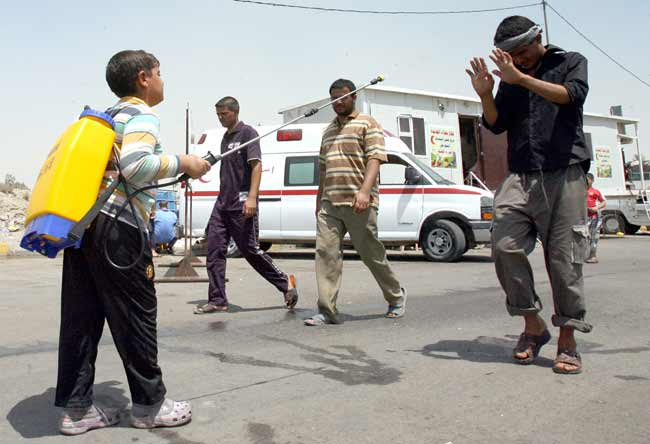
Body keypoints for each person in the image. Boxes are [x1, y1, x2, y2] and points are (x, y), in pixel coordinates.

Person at [55, 50, 211, 435]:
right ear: (143, 78)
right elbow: (136, 165)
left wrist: (170, 173)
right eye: (159, 73)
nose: (162, 79)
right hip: (119, 233)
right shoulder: (141, 114)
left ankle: (77, 411)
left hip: (85, 229)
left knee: (82, 321)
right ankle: (149, 406)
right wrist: (184, 162)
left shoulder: (108, 118)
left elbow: (122, 172)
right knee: (137, 317)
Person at [466, 16, 592, 374]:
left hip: (564, 171)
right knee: (503, 246)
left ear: (539, 38)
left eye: (523, 52)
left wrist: (520, 79)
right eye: (512, 56)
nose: (518, 60)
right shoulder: (509, 78)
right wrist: (486, 93)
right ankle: (532, 325)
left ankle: (567, 336)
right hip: (521, 175)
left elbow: (572, 96)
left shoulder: (569, 62)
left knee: (564, 260)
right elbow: (496, 123)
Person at [304, 78, 407, 326]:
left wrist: (364, 191)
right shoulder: (328, 130)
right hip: (330, 203)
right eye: (333, 99)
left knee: (371, 254)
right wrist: (319, 199)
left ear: (353, 97)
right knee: (326, 254)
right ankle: (327, 310)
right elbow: (323, 169)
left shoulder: (367, 124)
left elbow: (375, 159)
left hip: (359, 201)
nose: (337, 103)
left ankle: (396, 296)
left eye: (342, 97)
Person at [195, 96, 298, 314]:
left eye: (225, 114)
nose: (221, 118)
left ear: (236, 111)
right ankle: (217, 300)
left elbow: (257, 166)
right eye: (218, 115)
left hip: (242, 203)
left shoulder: (248, 133)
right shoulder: (226, 137)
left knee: (250, 250)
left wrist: (252, 197)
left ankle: (285, 283)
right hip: (222, 203)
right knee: (214, 251)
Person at [585, 173, 606, 263]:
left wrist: (596, 208)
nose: (586, 181)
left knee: (594, 237)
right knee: (582, 237)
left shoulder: (595, 192)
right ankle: (581, 256)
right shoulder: (579, 191)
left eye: (588, 179)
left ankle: (593, 256)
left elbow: (603, 202)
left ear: (592, 181)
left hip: (594, 218)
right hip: (582, 218)